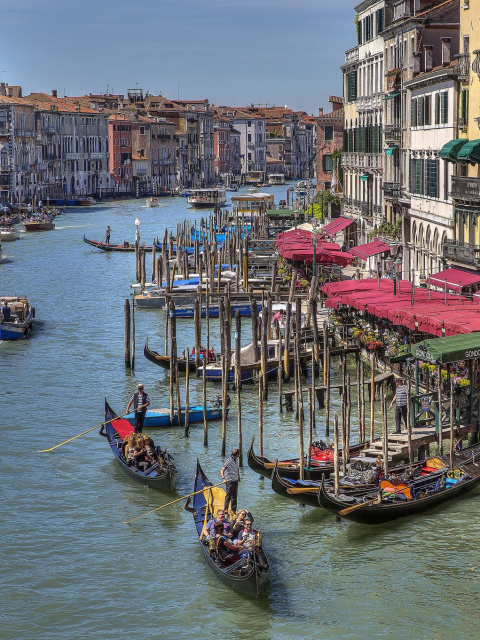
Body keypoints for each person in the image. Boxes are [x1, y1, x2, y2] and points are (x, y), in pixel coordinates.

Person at [221, 448, 241, 513]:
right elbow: (222, 470)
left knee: (234, 496)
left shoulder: (236, 460)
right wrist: (223, 479)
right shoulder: (229, 460)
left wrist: (238, 477)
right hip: (229, 481)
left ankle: (233, 509)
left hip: (235, 480)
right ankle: (226, 509)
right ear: (237, 454)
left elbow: (237, 469)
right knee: (228, 495)